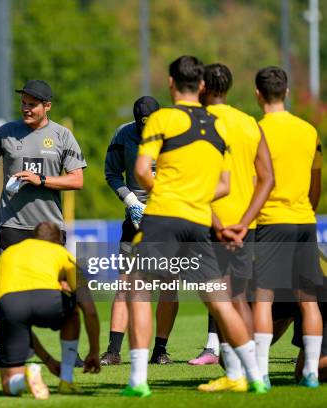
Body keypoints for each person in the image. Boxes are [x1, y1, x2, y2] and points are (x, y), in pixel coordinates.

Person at [123, 55, 267, 397]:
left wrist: (171, 190)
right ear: (201, 85)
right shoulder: (217, 125)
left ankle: (138, 381)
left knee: (139, 290)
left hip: (164, 216)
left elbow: (143, 171)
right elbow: (225, 185)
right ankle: (255, 375)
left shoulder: (162, 118)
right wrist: (194, 194)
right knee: (220, 300)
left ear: (172, 82)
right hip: (200, 219)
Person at [0, 79, 86, 369]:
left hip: (49, 230)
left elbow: (78, 180)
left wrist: (42, 180)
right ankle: (1, 351)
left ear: (47, 106)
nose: (26, 109)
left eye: (32, 104)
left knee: (62, 290)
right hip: (13, 224)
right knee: (6, 291)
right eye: (24, 103)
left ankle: (70, 351)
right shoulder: (6, 132)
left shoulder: (63, 136)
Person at [195, 63, 274, 391]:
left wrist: (219, 224)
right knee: (239, 297)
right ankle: (253, 373)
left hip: (210, 222)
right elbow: (268, 178)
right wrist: (243, 223)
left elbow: (196, 179)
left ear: (203, 88)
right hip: (245, 225)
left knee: (216, 298)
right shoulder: (249, 123)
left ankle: (236, 375)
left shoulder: (199, 123)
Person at [251, 66, 323, 388]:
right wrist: (305, 208)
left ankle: (262, 374)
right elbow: (316, 183)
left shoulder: (255, 131)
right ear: (287, 92)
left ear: (258, 94)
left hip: (271, 221)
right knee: (308, 300)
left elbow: (252, 182)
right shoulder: (309, 131)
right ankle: (309, 374)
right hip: (305, 220)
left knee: (264, 298)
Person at [102, 96, 179, 365]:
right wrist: (130, 200)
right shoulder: (124, 134)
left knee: (168, 284)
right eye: (141, 126)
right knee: (125, 283)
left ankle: (160, 350)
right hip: (134, 221)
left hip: (169, 218)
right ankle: (113, 350)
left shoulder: (176, 135)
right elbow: (111, 173)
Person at [0, 221, 100, 399]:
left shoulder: (9, 253)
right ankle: (66, 380)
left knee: (8, 384)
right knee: (72, 311)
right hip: (48, 300)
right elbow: (89, 310)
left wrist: (48, 361)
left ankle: (24, 378)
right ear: (58, 240)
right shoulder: (62, 253)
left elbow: (13, 319)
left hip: (9, 304)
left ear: (33, 238)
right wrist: (94, 351)